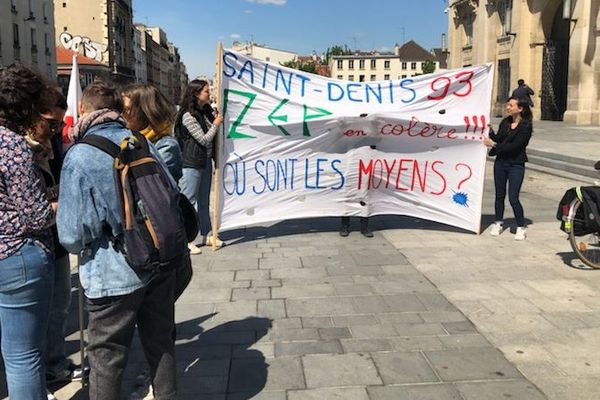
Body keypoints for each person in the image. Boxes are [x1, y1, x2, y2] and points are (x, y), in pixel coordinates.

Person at [57, 81, 177, 400]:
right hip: (158, 260)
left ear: (83, 109)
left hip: (112, 275)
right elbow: (170, 193)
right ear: (118, 110)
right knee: (160, 342)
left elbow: (71, 235)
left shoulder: (80, 154)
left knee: (107, 359)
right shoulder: (139, 140)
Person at [26, 84, 88, 393]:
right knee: (32, 316)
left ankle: (55, 362)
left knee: (61, 303)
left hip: (56, 239)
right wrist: (60, 199)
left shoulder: (55, 146)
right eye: (51, 122)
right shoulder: (18, 150)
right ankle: (34, 377)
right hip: (27, 247)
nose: (55, 130)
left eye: (59, 124)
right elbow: (32, 206)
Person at [0, 64, 55, 399]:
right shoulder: (13, 146)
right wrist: (59, 203)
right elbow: (36, 216)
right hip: (20, 256)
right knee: (23, 355)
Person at [121, 83, 192, 300]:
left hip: (161, 243)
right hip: (142, 242)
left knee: (159, 322)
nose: (121, 113)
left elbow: (149, 190)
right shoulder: (128, 140)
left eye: (126, 109)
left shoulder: (164, 145)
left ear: (142, 112)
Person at [175, 79, 224, 254]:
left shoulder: (206, 112)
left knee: (204, 201)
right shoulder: (188, 115)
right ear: (196, 94)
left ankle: (206, 233)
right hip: (192, 163)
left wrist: (215, 119)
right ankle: (184, 239)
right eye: (205, 91)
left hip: (205, 162)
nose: (209, 93)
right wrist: (216, 124)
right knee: (189, 201)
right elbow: (203, 139)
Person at [484, 96, 533, 241]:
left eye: (511, 105)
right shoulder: (506, 122)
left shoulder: (526, 126)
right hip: (501, 163)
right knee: (499, 195)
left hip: (516, 165)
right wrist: (491, 131)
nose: (508, 107)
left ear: (520, 108)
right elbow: (499, 138)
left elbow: (515, 146)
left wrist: (494, 145)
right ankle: (498, 222)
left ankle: (520, 226)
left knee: (513, 197)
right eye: (507, 105)